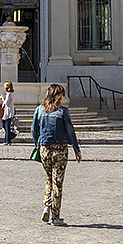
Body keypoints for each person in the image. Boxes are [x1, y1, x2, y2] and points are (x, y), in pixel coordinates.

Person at [32, 83, 82, 225]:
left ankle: (47, 206)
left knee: (49, 178)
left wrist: (38, 145)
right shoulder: (63, 111)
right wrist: (76, 149)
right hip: (59, 149)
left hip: (44, 149)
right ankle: (55, 217)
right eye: (62, 95)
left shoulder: (39, 110)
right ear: (59, 96)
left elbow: (33, 130)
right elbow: (70, 131)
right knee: (57, 182)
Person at [0, 81, 17, 146]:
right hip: (6, 113)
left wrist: (2, 98)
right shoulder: (8, 94)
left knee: (6, 126)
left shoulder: (9, 94)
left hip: (8, 113)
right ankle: (11, 136)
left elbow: (6, 103)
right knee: (4, 125)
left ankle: (7, 140)